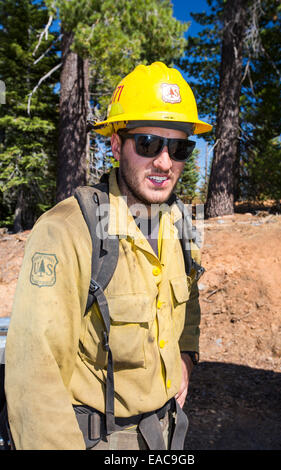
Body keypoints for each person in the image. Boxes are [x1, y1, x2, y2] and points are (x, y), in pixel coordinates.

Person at [5, 61, 212, 450]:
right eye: (148, 143)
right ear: (116, 144)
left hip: (167, 434)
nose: (165, 162)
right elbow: (34, 376)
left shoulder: (180, 222)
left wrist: (185, 355)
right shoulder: (68, 230)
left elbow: (188, 296)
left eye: (180, 146)